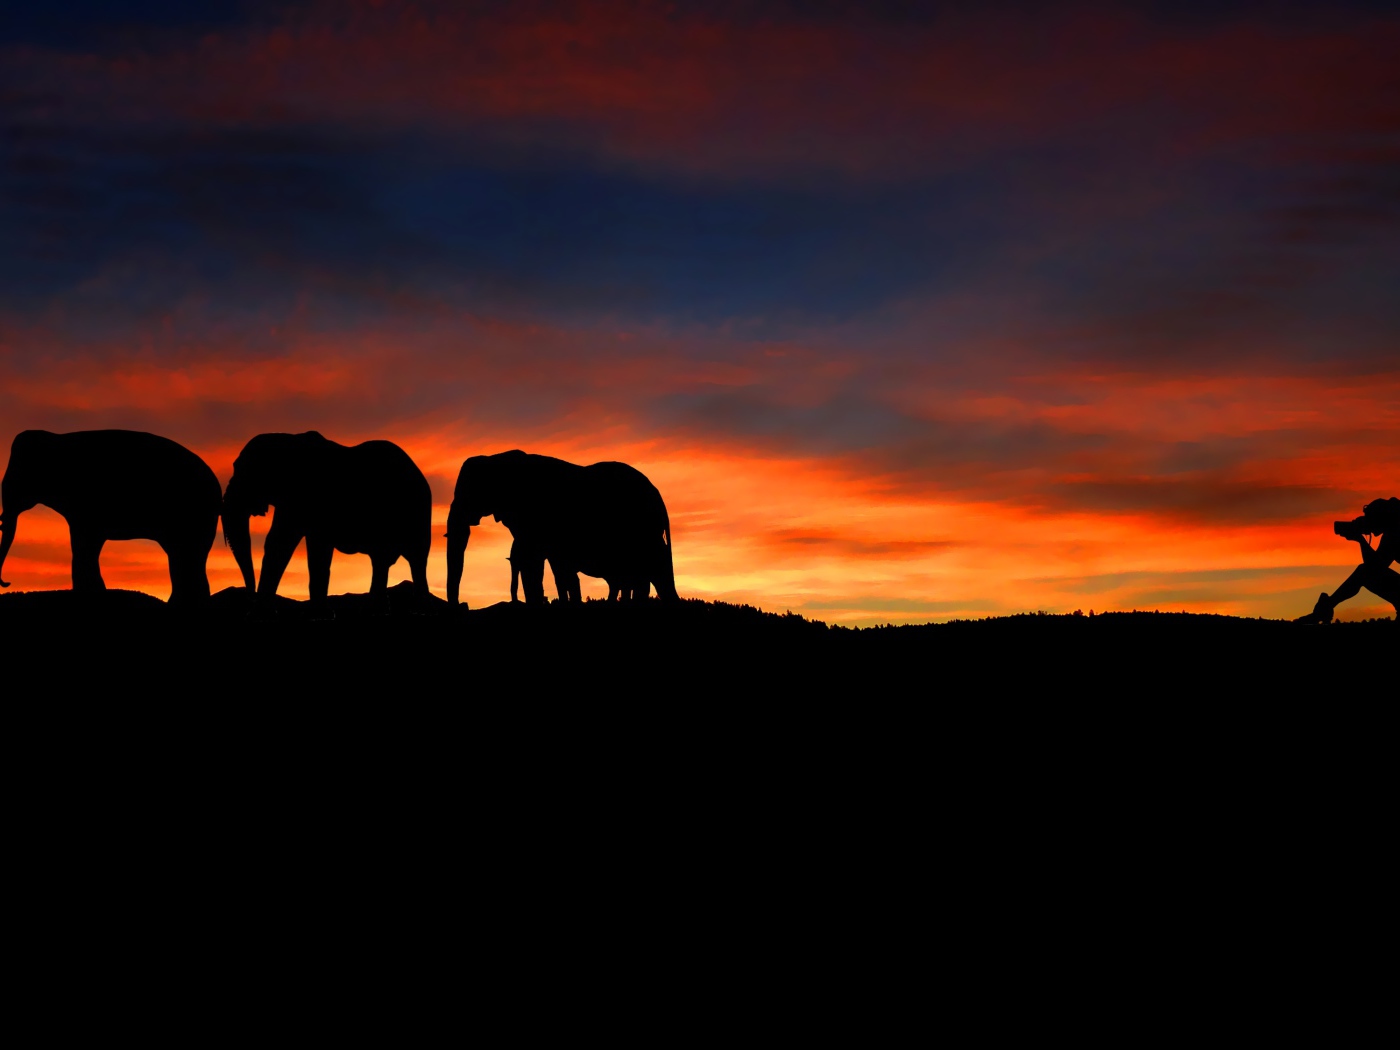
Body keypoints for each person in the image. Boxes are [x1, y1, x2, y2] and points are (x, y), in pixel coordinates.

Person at [1297, 497, 1400, 623]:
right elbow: (1375, 567)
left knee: (1363, 572)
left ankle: (1325, 609)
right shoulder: (1393, 528)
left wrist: (1360, 539)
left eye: (1371, 520)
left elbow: (1374, 568)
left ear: (1381, 518)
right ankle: (1326, 608)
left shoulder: (1394, 532)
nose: (1371, 528)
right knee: (1363, 571)